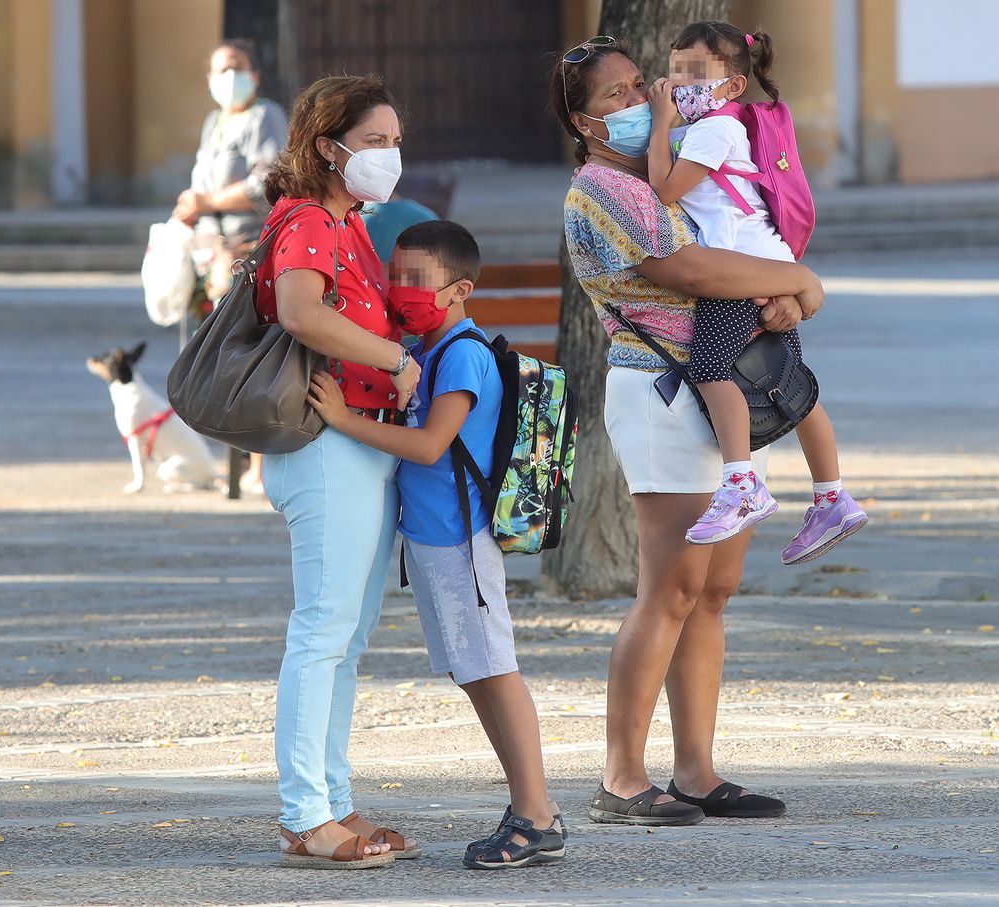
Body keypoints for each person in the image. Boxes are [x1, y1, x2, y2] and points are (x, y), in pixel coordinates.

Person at [551, 37, 825, 825]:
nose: (641, 100)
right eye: (616, 96)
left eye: (641, 84)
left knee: (711, 592)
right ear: (584, 122)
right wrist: (800, 280)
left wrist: (788, 297)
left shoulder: (663, 173)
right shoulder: (602, 188)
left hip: (716, 392)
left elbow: (731, 250)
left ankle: (697, 770)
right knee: (669, 588)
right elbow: (692, 271)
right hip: (662, 393)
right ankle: (621, 776)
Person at [307, 219, 566, 870]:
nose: (400, 289)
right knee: (473, 671)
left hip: (461, 542)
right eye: (394, 275)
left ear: (459, 290)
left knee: (494, 669)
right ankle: (529, 807)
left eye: (416, 279)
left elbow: (428, 446)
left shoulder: (462, 354)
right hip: (432, 541)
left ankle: (537, 814)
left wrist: (342, 418)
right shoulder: (425, 351)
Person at [255, 73, 423, 869]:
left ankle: (331, 800)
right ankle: (304, 815)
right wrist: (395, 357)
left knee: (345, 638)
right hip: (325, 448)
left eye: (395, 141)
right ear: (328, 146)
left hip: (359, 442)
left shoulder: (348, 221)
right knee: (323, 633)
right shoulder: (308, 220)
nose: (391, 154)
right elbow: (300, 311)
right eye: (375, 141)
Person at [646, 20, 865, 563]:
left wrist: (660, 124)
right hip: (766, 263)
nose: (679, 82)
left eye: (695, 72)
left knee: (710, 367)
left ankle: (741, 483)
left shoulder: (713, 130)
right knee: (789, 381)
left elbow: (664, 190)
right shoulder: (718, 126)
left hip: (738, 271)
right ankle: (832, 497)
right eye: (676, 69)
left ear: (733, 84)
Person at [173, 39, 289, 494]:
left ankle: (259, 465)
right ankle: (236, 461)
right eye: (220, 69)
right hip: (213, 255)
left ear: (255, 75)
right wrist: (193, 210)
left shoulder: (265, 116)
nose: (229, 77)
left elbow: (269, 181)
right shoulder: (214, 122)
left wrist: (207, 201)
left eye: (237, 67)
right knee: (221, 361)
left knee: (252, 355)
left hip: (250, 251)